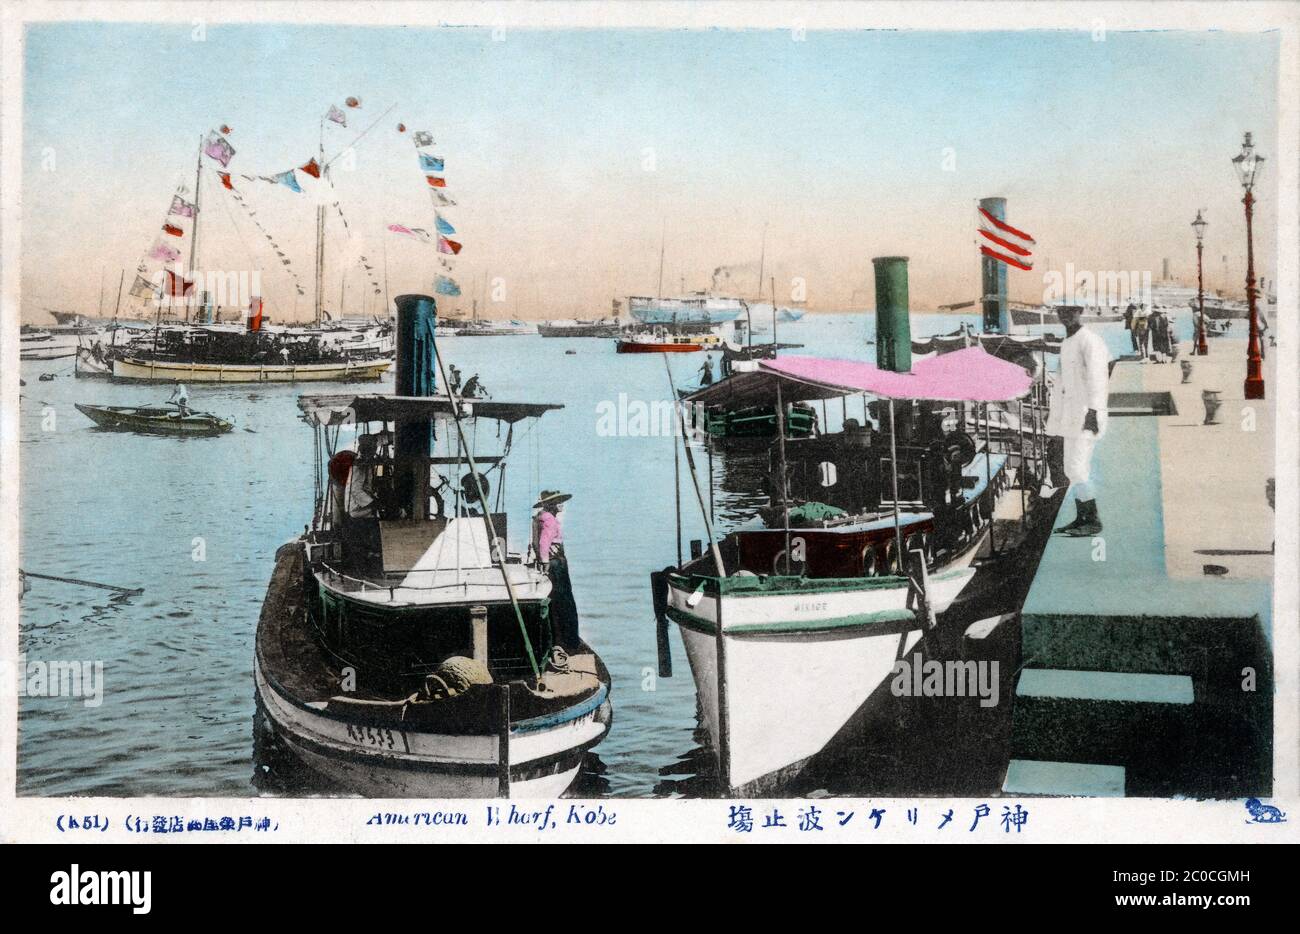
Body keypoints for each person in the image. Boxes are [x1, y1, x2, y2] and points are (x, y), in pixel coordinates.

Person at [1047, 305, 1110, 536]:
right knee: (1070, 468)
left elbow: (1099, 379)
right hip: (1070, 417)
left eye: (1070, 311)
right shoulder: (1067, 341)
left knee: (1078, 468)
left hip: (1086, 416)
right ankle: (1081, 517)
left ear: (1079, 312)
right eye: (1061, 311)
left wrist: (1093, 412)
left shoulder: (1089, 341)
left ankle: (1093, 520)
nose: (1065, 315)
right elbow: (1062, 383)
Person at [531, 490, 579, 649]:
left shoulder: (540, 517)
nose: (561, 504)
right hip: (555, 564)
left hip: (549, 563)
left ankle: (557, 639)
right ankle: (568, 642)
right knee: (565, 601)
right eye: (558, 501)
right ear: (551, 504)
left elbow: (537, 544)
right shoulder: (549, 519)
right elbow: (545, 543)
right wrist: (545, 562)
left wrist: (542, 561)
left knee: (554, 601)